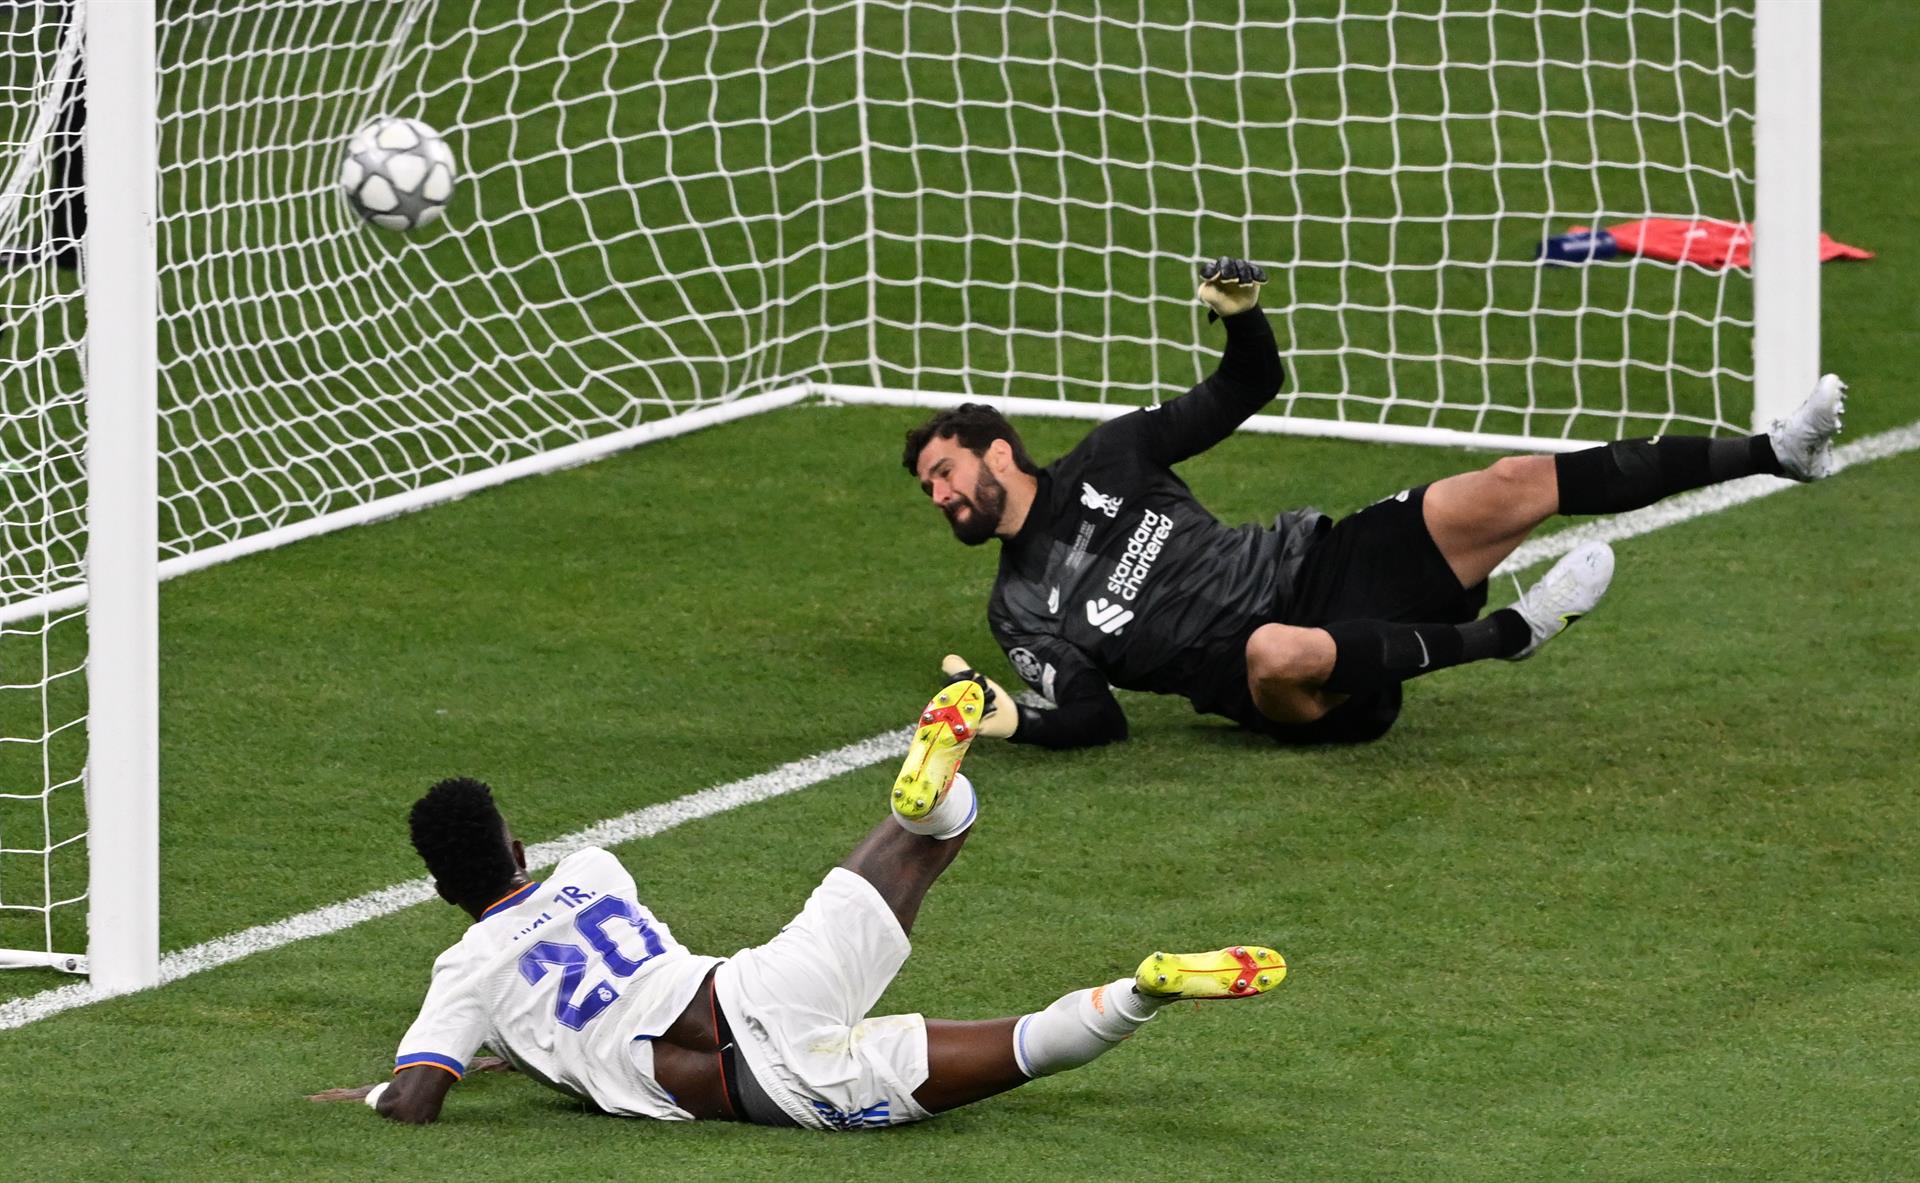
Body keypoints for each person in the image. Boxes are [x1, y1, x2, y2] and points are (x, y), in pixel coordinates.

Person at [903, 256, 1848, 748]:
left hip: (1321, 564)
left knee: (1518, 479)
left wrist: (1241, 315)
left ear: (998, 451)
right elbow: (1097, 716)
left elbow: (1249, 385)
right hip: (1285, 686)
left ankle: (1776, 450)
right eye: (929, 490)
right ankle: (1511, 636)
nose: (940, 495)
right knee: (1276, 649)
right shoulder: (1017, 608)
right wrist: (1011, 716)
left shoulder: (1114, 452)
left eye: (945, 471)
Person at [308, 681, 1286, 1129]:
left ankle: (1144, 992)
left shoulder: (466, 971)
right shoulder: (593, 873)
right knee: (931, 838)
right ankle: (932, 789)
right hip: (760, 981)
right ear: (521, 848)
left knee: (1023, 1045)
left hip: (771, 1085)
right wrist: (501, 1049)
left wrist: (390, 1088)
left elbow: (424, 1097)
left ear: (442, 889)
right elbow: (560, 997)